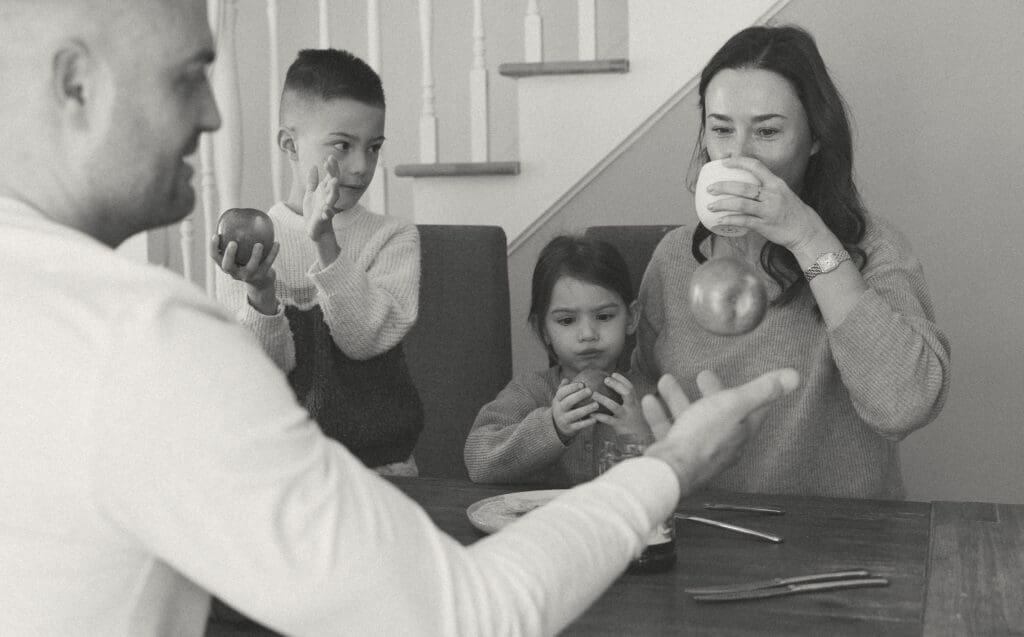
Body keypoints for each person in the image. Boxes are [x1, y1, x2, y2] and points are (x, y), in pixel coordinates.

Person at [0, 1, 800, 634]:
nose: (214, 116)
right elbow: (469, 615)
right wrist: (672, 464)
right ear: (77, 84)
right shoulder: (141, 338)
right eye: (187, 76)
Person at [632, 25, 951, 501]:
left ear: (815, 138)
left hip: (841, 544)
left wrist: (806, 237)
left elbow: (904, 405)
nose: (738, 156)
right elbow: (645, 392)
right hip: (707, 533)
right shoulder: (675, 258)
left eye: (767, 131)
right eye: (721, 129)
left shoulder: (877, 249)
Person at [212, 48, 423, 476]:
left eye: (374, 147)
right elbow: (261, 375)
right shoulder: (249, 244)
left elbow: (362, 340)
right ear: (289, 144)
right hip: (284, 470)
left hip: (381, 470)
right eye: (342, 146)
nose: (362, 167)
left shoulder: (394, 237)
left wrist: (325, 242)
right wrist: (261, 293)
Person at [465, 235, 649, 485]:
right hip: (541, 522)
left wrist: (639, 438)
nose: (588, 334)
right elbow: (479, 461)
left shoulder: (648, 397)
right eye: (566, 320)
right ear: (543, 330)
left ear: (631, 318)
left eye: (604, 316)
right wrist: (552, 426)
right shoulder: (530, 392)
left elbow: (681, 480)